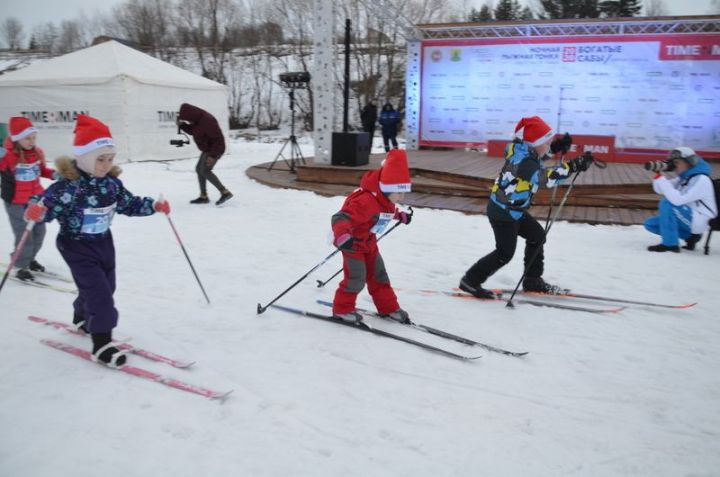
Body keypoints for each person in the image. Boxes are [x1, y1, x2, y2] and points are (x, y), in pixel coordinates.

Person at [24, 115, 171, 367]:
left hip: (103, 243)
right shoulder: (67, 187)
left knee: (103, 286)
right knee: (101, 296)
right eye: (99, 159)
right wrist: (35, 212)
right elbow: (43, 206)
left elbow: (129, 203)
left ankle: (81, 316)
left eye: (110, 159)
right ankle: (102, 345)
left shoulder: (112, 184)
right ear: (83, 157)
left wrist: (153, 206)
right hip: (75, 245)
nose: (105, 165)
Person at [459, 116, 590, 298]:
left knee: (537, 236)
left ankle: (532, 281)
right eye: (546, 141)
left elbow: (540, 154)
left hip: (515, 210)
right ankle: (470, 281)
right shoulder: (524, 162)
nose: (548, 145)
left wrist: (557, 147)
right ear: (534, 142)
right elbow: (544, 178)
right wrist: (572, 167)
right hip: (503, 213)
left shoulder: (526, 151)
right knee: (504, 253)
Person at [330, 148, 413, 323]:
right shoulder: (365, 201)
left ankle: (388, 308)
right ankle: (342, 309)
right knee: (356, 277)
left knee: (379, 275)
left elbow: (383, 213)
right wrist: (342, 236)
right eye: (399, 193)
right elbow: (340, 217)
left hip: (369, 243)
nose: (402, 197)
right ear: (386, 189)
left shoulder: (385, 199)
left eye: (403, 192)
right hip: (352, 244)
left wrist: (400, 215)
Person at [0, 117, 56, 281]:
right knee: (24, 235)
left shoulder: (37, 153)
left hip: (36, 200)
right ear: (17, 138)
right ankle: (21, 266)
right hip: (16, 202)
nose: (32, 141)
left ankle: (30, 259)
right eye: (28, 138)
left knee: (40, 232)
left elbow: (42, 170)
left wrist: (54, 174)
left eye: (34, 137)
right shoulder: (8, 155)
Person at [644, 147, 718, 252]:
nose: (674, 166)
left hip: (701, 219)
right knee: (651, 224)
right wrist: (658, 175)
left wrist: (661, 179)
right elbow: (660, 190)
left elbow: (678, 200)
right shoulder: (685, 177)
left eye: (677, 162)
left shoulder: (701, 179)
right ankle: (690, 237)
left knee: (667, 203)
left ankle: (670, 244)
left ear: (690, 162)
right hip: (689, 216)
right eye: (672, 163)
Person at [177, 103, 233, 206]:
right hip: (207, 149)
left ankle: (225, 192)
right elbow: (194, 131)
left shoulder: (207, 120)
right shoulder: (197, 119)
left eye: (188, 119)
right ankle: (204, 196)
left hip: (215, 149)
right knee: (199, 169)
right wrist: (183, 125)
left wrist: (213, 156)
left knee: (205, 170)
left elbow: (218, 140)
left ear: (191, 115)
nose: (188, 121)